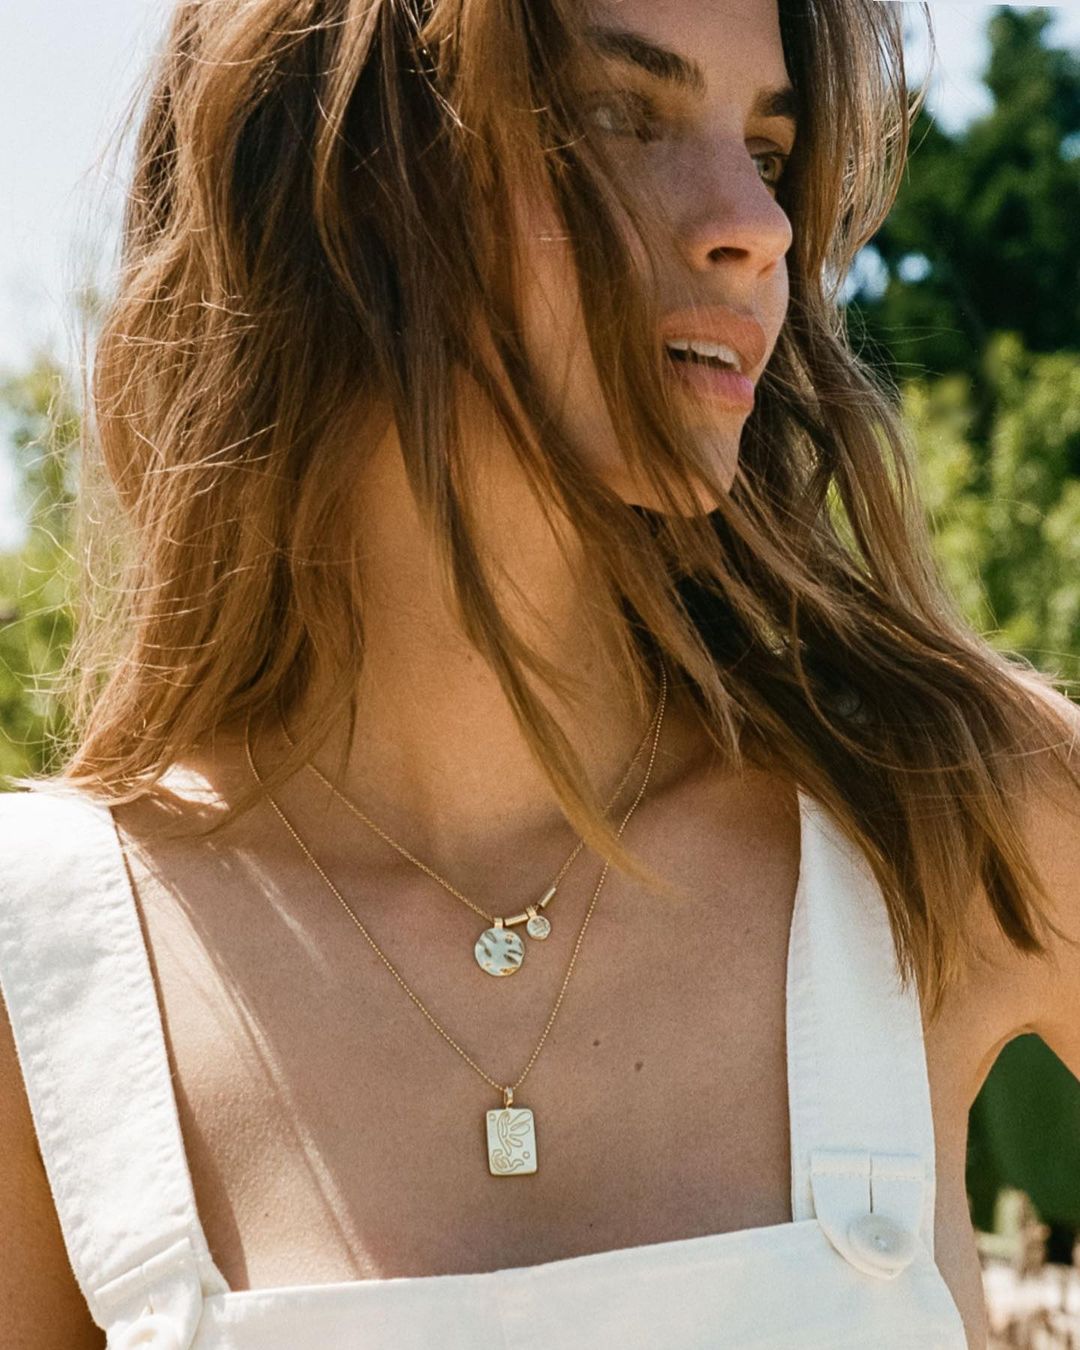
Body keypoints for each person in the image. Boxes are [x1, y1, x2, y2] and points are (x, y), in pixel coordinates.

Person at [2, 0, 1079, 1346]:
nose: (760, 224)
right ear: (345, 182)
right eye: (622, 116)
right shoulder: (54, 970)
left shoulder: (948, 814)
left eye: (768, 147)